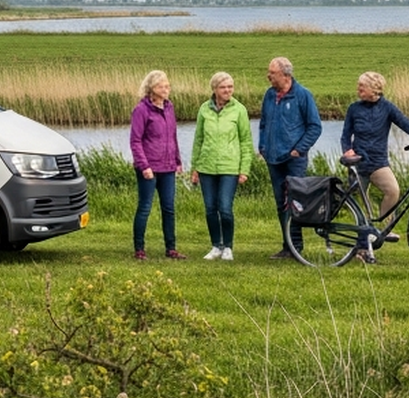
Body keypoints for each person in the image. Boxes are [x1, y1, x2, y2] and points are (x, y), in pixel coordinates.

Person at [340, 71, 409, 262]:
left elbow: (404, 122)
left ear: (373, 89)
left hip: (378, 162)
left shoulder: (387, 107)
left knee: (393, 190)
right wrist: (347, 150)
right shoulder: (354, 109)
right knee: (361, 208)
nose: (358, 90)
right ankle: (363, 249)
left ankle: (384, 229)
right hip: (358, 163)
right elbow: (345, 135)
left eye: (361, 87)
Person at [257, 56, 321, 259]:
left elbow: (314, 127)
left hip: (294, 160)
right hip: (273, 158)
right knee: (280, 202)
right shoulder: (269, 95)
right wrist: (262, 146)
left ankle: (296, 246)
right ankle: (287, 246)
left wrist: (299, 149)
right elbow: (264, 123)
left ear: (285, 75)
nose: (268, 76)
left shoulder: (302, 95)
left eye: (272, 73)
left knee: (295, 202)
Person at [189, 71, 255, 261]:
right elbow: (198, 139)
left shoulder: (239, 110)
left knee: (225, 208)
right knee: (210, 208)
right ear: (215, 89)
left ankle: (228, 247)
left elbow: (246, 142)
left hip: (230, 167)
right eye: (223, 87)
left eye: (230, 87)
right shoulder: (204, 109)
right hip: (206, 167)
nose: (227, 90)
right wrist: (195, 167)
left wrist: (244, 169)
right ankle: (215, 245)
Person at [130, 69, 184, 260]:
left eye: (167, 86)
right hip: (149, 168)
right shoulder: (141, 110)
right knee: (145, 207)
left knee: (168, 208)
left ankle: (171, 248)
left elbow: (173, 136)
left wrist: (178, 161)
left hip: (168, 167)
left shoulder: (170, 108)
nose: (166, 89)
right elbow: (135, 141)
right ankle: (139, 249)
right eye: (162, 86)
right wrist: (144, 166)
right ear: (151, 89)